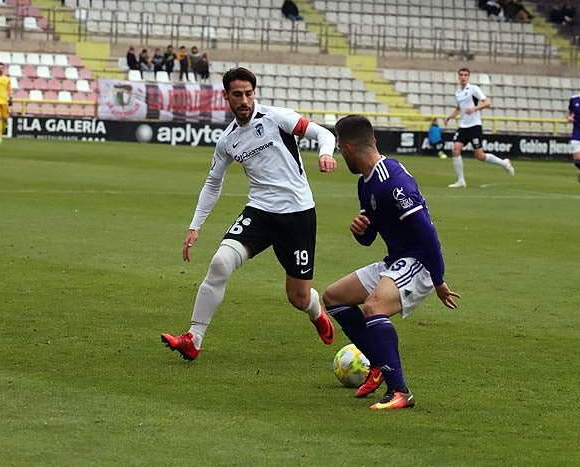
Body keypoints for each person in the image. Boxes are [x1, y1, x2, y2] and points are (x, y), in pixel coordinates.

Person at [161, 67, 338, 361]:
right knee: (220, 263)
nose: (244, 100)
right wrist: (195, 226)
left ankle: (315, 310)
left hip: (297, 215)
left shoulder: (277, 117)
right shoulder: (227, 140)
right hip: (260, 212)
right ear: (226, 97)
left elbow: (322, 133)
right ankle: (194, 338)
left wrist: (325, 153)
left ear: (254, 94)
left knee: (298, 297)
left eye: (249, 93)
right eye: (237, 94)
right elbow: (212, 183)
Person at [322, 115, 460, 410]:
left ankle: (399, 391)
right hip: (395, 260)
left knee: (374, 307)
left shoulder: (392, 181)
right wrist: (361, 230)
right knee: (334, 297)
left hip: (418, 262)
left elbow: (427, 232)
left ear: (347, 148)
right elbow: (369, 237)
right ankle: (378, 363)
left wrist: (438, 280)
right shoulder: (366, 183)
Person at [443, 67, 514, 187]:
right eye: (461, 75)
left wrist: (475, 108)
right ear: (458, 76)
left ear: (468, 77)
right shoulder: (458, 93)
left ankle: (504, 163)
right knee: (455, 149)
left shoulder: (474, 89)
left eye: (466, 75)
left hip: (474, 126)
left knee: (480, 156)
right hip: (463, 126)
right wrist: (450, 117)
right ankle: (461, 181)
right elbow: (459, 109)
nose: (463, 77)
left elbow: (487, 102)